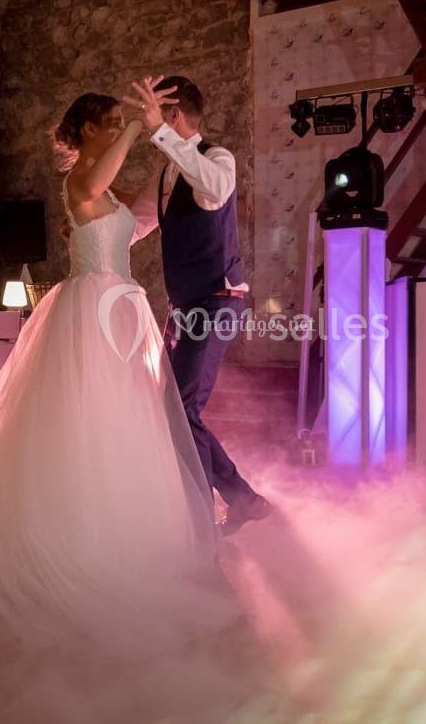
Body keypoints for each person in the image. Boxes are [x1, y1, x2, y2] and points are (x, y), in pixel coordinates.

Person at [0, 92, 232, 652]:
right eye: (105, 124)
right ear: (84, 131)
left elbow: (147, 216)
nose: (114, 131)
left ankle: (126, 542)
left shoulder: (105, 188)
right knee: (86, 427)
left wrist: (166, 143)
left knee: (127, 429)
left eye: (115, 122)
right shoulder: (80, 182)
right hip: (90, 316)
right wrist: (136, 127)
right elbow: (97, 188)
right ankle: (75, 549)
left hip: (122, 312)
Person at [123, 76, 272, 536]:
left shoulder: (217, 160)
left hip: (218, 300)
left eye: (158, 114)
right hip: (185, 306)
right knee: (172, 409)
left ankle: (229, 503)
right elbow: (136, 224)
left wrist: (161, 136)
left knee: (182, 409)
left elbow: (213, 192)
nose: (153, 125)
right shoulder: (168, 173)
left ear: (173, 114)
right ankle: (240, 500)